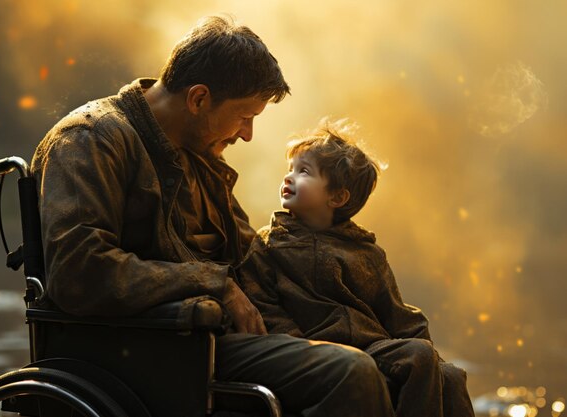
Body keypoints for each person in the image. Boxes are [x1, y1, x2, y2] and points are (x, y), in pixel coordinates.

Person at [31, 16, 396, 417]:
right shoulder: (91, 139)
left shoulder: (198, 152)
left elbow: (250, 255)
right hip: (156, 346)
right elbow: (78, 273)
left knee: (400, 362)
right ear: (199, 98)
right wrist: (214, 284)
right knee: (351, 372)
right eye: (244, 116)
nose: (248, 134)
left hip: (208, 337)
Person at [237, 122, 475, 417]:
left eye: (304, 171)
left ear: (337, 197)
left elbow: (396, 312)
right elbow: (263, 304)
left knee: (448, 375)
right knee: (418, 356)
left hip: (372, 348)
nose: (289, 176)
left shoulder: (365, 252)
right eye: (291, 168)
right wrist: (296, 342)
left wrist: (426, 349)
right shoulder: (268, 245)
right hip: (317, 351)